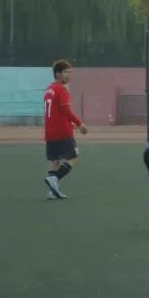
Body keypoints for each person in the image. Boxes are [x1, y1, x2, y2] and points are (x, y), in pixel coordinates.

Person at [43, 59, 88, 199]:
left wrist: (69, 123)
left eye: (69, 72)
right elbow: (66, 110)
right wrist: (79, 124)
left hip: (50, 132)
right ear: (58, 74)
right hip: (62, 132)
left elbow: (56, 112)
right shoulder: (62, 89)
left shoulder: (49, 89)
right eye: (65, 72)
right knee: (74, 157)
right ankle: (55, 179)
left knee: (55, 161)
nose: (68, 75)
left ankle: (53, 191)